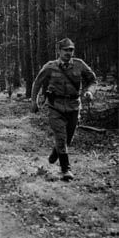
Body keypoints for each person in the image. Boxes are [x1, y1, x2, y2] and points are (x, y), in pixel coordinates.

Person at [30, 38, 96, 181]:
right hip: (56, 106)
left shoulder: (79, 65)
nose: (68, 53)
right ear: (59, 51)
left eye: (71, 50)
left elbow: (92, 80)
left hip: (74, 106)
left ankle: (56, 153)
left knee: (68, 139)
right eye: (65, 50)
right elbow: (37, 83)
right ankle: (66, 169)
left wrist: (89, 92)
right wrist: (34, 101)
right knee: (61, 136)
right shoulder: (50, 66)